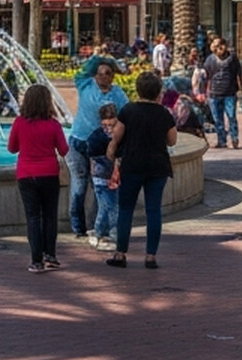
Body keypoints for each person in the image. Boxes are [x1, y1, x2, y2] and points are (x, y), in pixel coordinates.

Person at [106, 71, 178, 269]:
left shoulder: (128, 110)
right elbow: (172, 140)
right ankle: (151, 256)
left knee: (126, 209)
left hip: (133, 165)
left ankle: (120, 253)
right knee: (153, 210)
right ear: (158, 92)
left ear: (138, 90)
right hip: (158, 166)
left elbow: (116, 136)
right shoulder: (164, 113)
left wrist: (111, 154)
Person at [66, 53, 132, 244]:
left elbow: (127, 117)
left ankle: (96, 226)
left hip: (102, 148)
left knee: (100, 189)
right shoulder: (85, 85)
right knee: (79, 187)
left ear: (113, 76)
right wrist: (98, 59)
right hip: (78, 142)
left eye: (107, 73)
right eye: (100, 73)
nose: (103, 76)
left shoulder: (118, 94)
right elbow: (82, 71)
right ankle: (78, 227)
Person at [7, 83, 69, 273]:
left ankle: (36, 260)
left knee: (33, 217)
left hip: (26, 174)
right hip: (49, 173)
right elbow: (64, 150)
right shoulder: (53, 125)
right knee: (50, 216)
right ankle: (50, 255)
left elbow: (12, 148)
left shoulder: (19, 123)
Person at [83, 103, 121, 250]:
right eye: (106, 125)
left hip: (113, 176)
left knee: (106, 207)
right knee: (111, 207)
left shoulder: (117, 133)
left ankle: (99, 232)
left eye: (112, 124)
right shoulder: (97, 137)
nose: (109, 129)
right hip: (101, 177)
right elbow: (94, 157)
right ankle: (113, 234)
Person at [202, 38, 242, 149]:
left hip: (229, 92)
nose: (220, 47)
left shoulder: (232, 58)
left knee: (231, 117)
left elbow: (238, 73)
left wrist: (241, 89)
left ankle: (234, 139)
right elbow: (206, 76)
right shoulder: (210, 59)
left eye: (221, 44)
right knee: (217, 119)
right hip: (214, 93)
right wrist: (205, 92)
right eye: (216, 45)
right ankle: (221, 140)